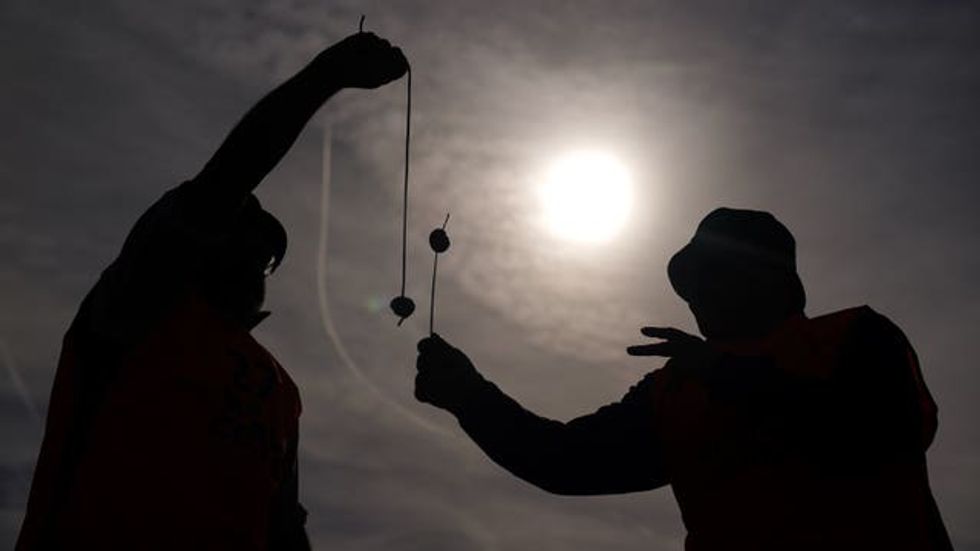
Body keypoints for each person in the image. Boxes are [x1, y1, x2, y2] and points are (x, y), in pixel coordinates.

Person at [17, 32, 408, 550]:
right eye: (234, 239)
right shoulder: (139, 307)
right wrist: (325, 77)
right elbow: (223, 180)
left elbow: (283, 525)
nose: (251, 261)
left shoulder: (282, 391)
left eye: (262, 255)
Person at [414, 208, 954, 550]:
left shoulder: (854, 336)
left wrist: (727, 375)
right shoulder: (673, 390)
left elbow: (887, 431)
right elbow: (564, 460)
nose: (695, 294)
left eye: (710, 274)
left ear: (770, 277)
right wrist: (470, 396)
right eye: (689, 283)